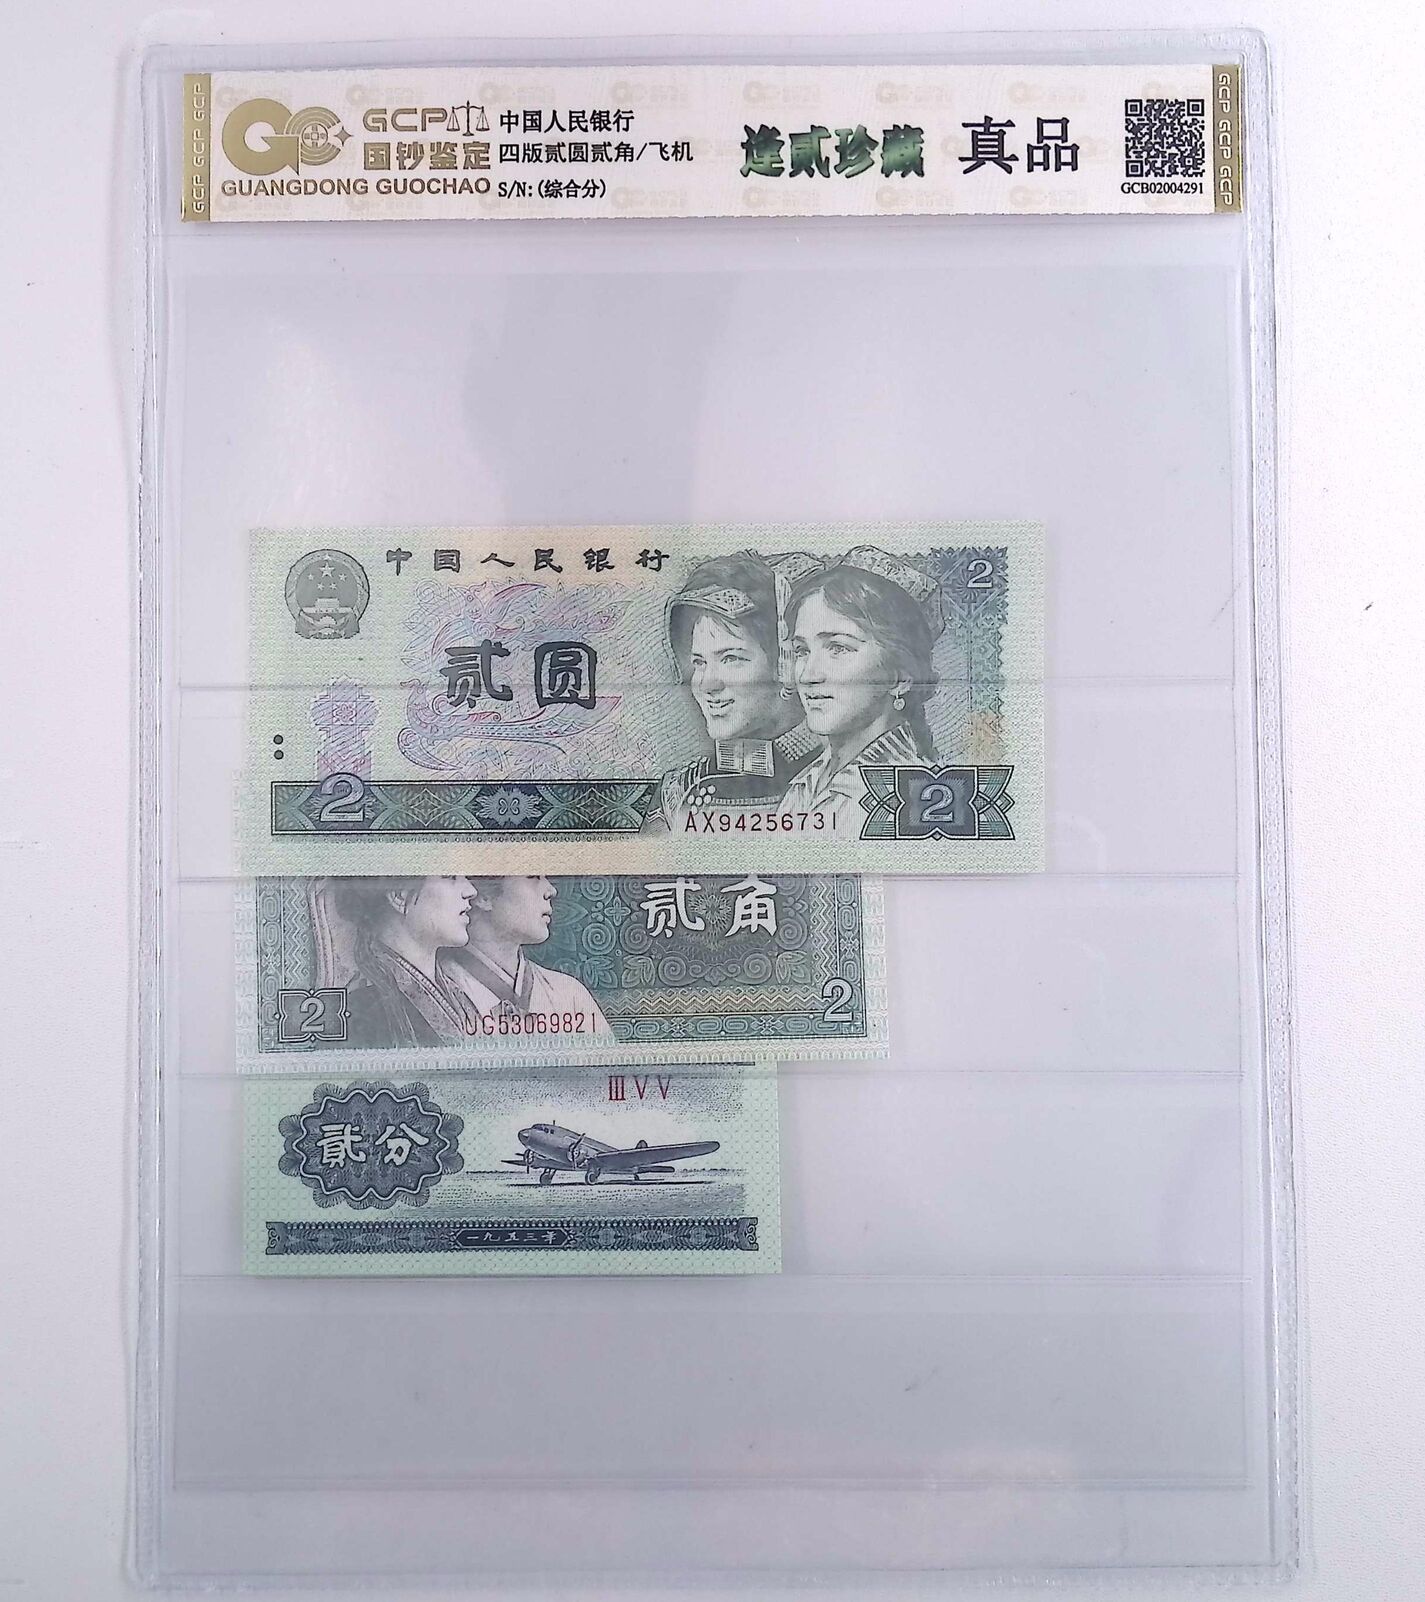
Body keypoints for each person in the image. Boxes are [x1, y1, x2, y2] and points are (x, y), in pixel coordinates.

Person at [778, 549, 942, 834]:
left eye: (838, 648)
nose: (807, 676)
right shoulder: (806, 783)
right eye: (802, 651)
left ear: (900, 677)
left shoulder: (913, 797)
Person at [653, 554, 818, 830]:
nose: (707, 684)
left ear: (785, 663)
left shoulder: (842, 779)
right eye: (699, 662)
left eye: (730, 658)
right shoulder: (679, 791)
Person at [444, 876, 611, 1034]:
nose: (551, 890)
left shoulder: (570, 994)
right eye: (532, 876)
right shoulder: (440, 995)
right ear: (484, 896)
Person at [340, 876, 481, 1048]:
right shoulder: (361, 1008)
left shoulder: (455, 991)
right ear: (400, 896)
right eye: (449, 876)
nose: (471, 891)